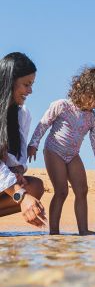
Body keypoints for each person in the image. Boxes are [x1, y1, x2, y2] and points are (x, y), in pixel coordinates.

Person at [27, 65, 95, 235]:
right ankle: (54, 233)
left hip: (73, 155)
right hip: (54, 150)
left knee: (82, 190)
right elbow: (43, 123)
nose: (93, 102)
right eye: (91, 96)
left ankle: (83, 230)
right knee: (61, 191)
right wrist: (34, 144)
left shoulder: (94, 119)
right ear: (79, 88)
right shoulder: (61, 105)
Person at [0, 52, 46, 228]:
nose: (30, 91)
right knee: (24, 193)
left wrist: (16, 170)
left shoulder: (22, 114)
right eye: (26, 85)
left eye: (32, 85)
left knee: (34, 186)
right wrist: (21, 196)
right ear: (9, 81)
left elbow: (18, 158)